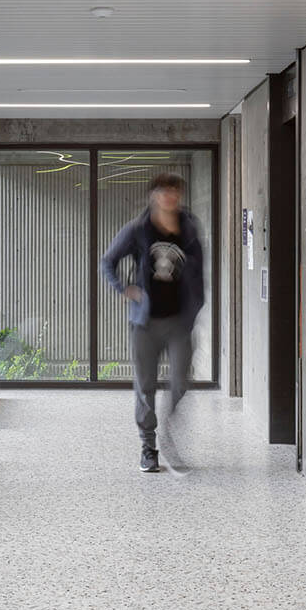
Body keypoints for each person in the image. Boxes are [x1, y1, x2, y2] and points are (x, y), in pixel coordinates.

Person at [100, 173, 205, 472]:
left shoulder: (189, 229)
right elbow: (107, 261)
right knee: (145, 386)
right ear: (154, 196)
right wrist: (124, 289)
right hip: (145, 323)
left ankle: (168, 431)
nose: (170, 197)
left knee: (180, 382)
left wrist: (196, 305)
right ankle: (149, 447)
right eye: (164, 191)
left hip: (179, 322)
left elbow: (199, 272)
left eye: (175, 191)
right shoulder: (138, 229)